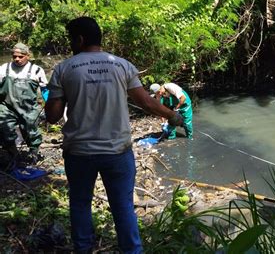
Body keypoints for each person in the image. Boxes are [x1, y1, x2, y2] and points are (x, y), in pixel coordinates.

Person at [45, 17, 183, 254]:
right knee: (123, 207)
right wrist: (172, 116)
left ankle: (83, 249)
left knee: (80, 204)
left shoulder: (64, 68)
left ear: (79, 39)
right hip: (117, 152)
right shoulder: (121, 65)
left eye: (71, 39)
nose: (70, 44)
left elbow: (52, 116)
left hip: (79, 152)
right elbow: (147, 103)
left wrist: (63, 94)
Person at [0, 42, 48, 165]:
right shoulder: (4, 68)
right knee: (5, 130)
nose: (17, 59)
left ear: (28, 55)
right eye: (14, 56)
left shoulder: (36, 70)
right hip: (7, 106)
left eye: (20, 56)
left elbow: (45, 90)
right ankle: (13, 156)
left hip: (28, 107)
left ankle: (33, 153)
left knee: (31, 131)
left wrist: (48, 103)